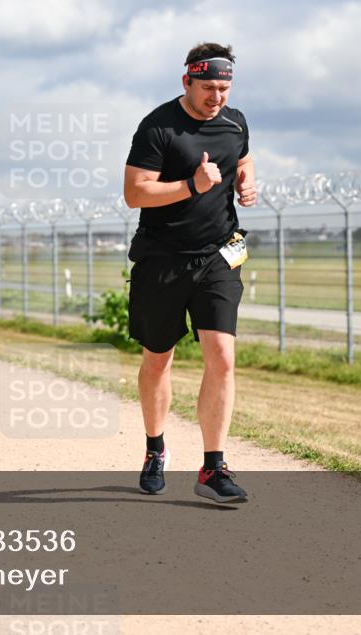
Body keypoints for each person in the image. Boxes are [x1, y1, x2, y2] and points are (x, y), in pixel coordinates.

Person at [123, 42, 257, 503]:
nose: (216, 97)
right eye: (207, 88)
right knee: (158, 358)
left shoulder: (235, 121)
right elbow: (136, 193)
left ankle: (213, 469)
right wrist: (191, 186)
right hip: (162, 259)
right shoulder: (158, 126)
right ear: (186, 82)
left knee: (222, 357)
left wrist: (246, 179)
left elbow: (240, 156)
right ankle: (155, 449)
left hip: (219, 256)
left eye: (224, 87)